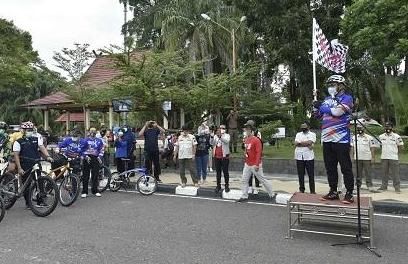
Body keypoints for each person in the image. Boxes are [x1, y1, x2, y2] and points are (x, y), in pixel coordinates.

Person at [313, 74, 354, 204]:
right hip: (327, 138)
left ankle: (349, 193)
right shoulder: (326, 100)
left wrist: (321, 106)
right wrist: (315, 105)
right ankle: (333, 191)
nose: (330, 87)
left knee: (345, 167)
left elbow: (337, 112)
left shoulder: (347, 98)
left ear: (341, 86)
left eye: (333, 85)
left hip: (341, 139)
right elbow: (317, 116)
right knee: (330, 166)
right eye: (329, 85)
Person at [13, 121, 53, 208]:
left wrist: (48, 156)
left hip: (36, 162)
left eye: (31, 129)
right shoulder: (18, 142)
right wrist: (19, 168)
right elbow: (16, 156)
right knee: (26, 184)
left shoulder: (36, 139)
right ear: (23, 131)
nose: (29, 131)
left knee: (40, 181)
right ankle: (28, 203)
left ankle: (40, 201)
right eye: (28, 130)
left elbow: (42, 147)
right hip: (25, 164)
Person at [237, 121, 275, 202]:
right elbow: (246, 150)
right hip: (247, 164)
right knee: (244, 180)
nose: (246, 131)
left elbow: (258, 153)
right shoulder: (246, 139)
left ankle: (272, 194)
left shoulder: (256, 140)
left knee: (262, 180)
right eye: (245, 129)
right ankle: (244, 196)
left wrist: (257, 164)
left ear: (251, 130)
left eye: (247, 129)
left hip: (255, 164)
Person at [378, 122, 404, 193]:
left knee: (395, 173)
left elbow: (401, 146)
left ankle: (397, 188)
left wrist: (397, 154)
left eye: (389, 126)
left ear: (392, 128)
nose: (387, 128)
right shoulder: (381, 136)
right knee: (384, 173)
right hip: (384, 157)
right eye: (386, 126)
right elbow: (380, 146)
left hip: (394, 157)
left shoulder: (397, 136)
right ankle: (383, 186)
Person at [350, 125, 376, 191]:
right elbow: (352, 148)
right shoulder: (354, 137)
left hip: (367, 158)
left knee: (368, 173)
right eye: (358, 129)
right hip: (357, 158)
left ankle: (369, 185)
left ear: (364, 129)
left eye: (361, 128)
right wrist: (351, 156)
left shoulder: (369, 138)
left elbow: (372, 148)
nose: (359, 130)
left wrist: (373, 157)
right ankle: (358, 185)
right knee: (358, 173)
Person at [80, 127, 104, 198]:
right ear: (89, 132)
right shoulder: (85, 140)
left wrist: (99, 157)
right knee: (85, 176)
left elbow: (102, 149)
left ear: (96, 132)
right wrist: (85, 156)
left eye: (94, 131)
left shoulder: (99, 140)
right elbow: (81, 149)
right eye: (91, 131)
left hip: (95, 158)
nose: (93, 132)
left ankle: (95, 190)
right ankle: (84, 192)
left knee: (95, 175)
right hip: (87, 158)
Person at [294, 122, 316, 194]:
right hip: (299, 157)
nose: (303, 128)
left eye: (304, 127)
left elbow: (310, 143)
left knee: (311, 175)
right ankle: (301, 189)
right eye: (302, 127)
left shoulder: (312, 134)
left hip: (309, 157)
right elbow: (295, 143)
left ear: (308, 127)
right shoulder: (298, 134)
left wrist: (300, 144)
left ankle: (312, 191)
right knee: (300, 175)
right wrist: (305, 144)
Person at [244, 120, 262, 194]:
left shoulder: (257, 132)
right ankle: (250, 187)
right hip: (248, 153)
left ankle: (257, 187)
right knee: (249, 173)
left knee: (256, 173)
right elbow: (245, 142)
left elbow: (259, 142)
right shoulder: (246, 133)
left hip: (255, 152)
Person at [213, 125, 231, 193]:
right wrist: (212, 136)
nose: (221, 129)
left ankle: (226, 185)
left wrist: (220, 136)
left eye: (223, 128)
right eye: (220, 128)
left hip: (224, 156)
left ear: (225, 129)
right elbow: (213, 143)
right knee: (218, 172)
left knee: (225, 172)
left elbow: (227, 141)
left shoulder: (227, 135)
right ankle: (218, 185)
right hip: (217, 156)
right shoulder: (215, 136)